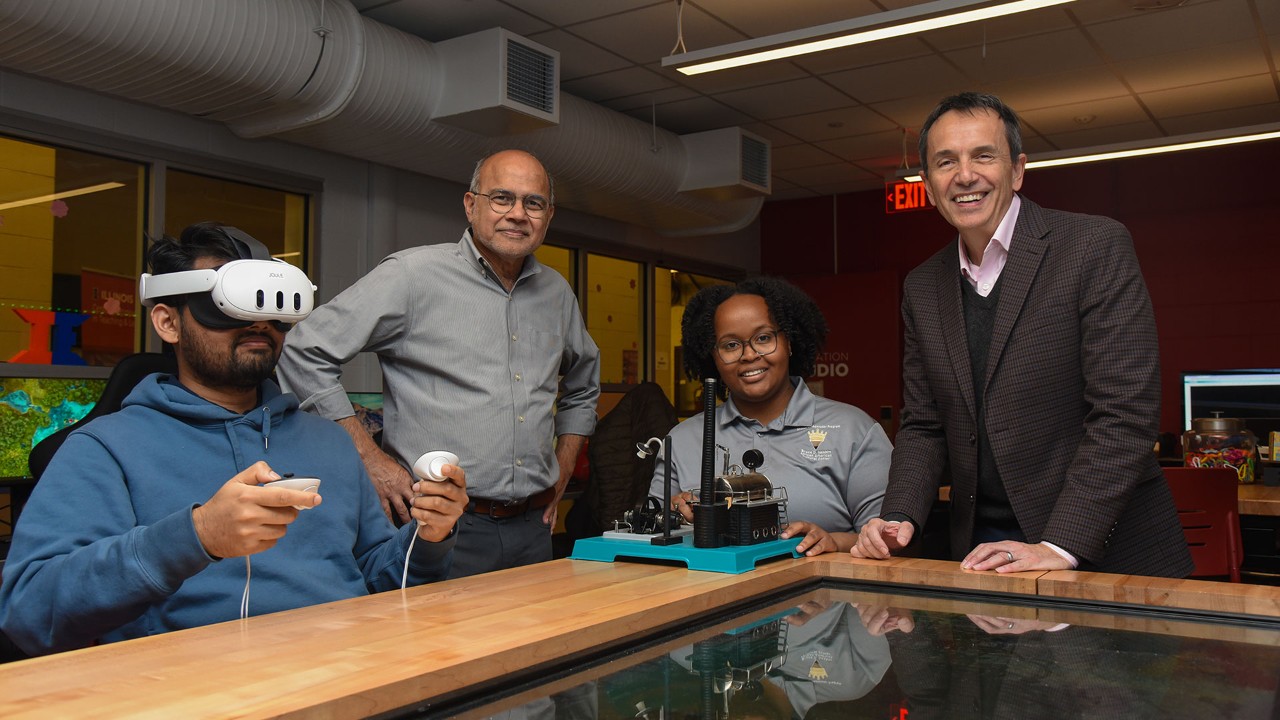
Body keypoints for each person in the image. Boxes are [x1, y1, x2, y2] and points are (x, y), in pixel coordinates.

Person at [0, 223, 466, 656]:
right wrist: (195, 536)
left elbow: (378, 577)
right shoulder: (105, 449)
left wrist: (428, 535)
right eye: (228, 307)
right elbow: (28, 611)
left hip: (346, 674)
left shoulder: (329, 443)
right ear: (168, 322)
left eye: (272, 310)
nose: (258, 324)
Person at [852, 92, 1193, 577]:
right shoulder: (922, 286)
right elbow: (925, 425)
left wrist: (1060, 546)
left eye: (983, 156)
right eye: (945, 162)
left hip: (1100, 552)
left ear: (1017, 170)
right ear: (927, 184)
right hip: (982, 552)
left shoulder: (1094, 246)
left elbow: (1123, 416)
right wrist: (898, 516)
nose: (964, 175)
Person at [277, 149, 600, 579]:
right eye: (502, 198)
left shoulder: (557, 294)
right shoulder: (413, 275)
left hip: (533, 528)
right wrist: (368, 459)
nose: (518, 214)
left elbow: (583, 384)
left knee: (536, 646)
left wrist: (561, 471)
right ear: (471, 205)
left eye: (533, 203)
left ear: (548, 214)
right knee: (440, 647)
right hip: (437, 525)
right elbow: (303, 351)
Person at [651, 277, 890, 556]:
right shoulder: (681, 441)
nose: (749, 355)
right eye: (730, 345)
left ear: (789, 341)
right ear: (713, 358)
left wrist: (834, 542)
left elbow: (889, 540)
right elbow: (652, 537)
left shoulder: (854, 431)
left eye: (764, 338)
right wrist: (673, 516)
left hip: (824, 600)